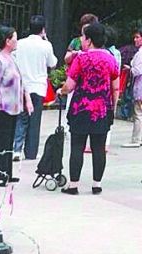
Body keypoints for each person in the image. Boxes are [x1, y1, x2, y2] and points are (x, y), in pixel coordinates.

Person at [58, 23, 119, 195]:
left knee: (77, 146)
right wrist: (112, 108)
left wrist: (61, 90)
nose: (82, 40)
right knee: (99, 147)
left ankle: (73, 185)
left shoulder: (81, 59)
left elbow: (70, 85)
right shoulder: (111, 59)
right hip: (102, 110)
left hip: (81, 109)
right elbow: (115, 87)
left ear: (89, 40)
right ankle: (96, 184)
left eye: (83, 38)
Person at [0, 25, 33, 186]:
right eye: (14, 38)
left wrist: (27, 100)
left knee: (9, 140)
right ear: (7, 41)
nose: (16, 41)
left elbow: (22, 81)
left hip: (14, 107)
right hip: (2, 106)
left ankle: (7, 171)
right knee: (1, 140)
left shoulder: (12, 59)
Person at [12, 15, 57, 161]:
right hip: (38, 86)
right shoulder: (46, 45)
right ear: (43, 29)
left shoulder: (20, 43)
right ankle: (31, 152)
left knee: (21, 118)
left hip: (22, 86)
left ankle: (16, 149)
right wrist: (47, 40)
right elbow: (52, 63)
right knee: (34, 121)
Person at [121, 28, 142, 148]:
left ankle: (136, 139)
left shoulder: (140, 54)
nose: (135, 40)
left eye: (137, 37)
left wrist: (130, 69)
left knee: (138, 113)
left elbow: (138, 70)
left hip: (140, 86)